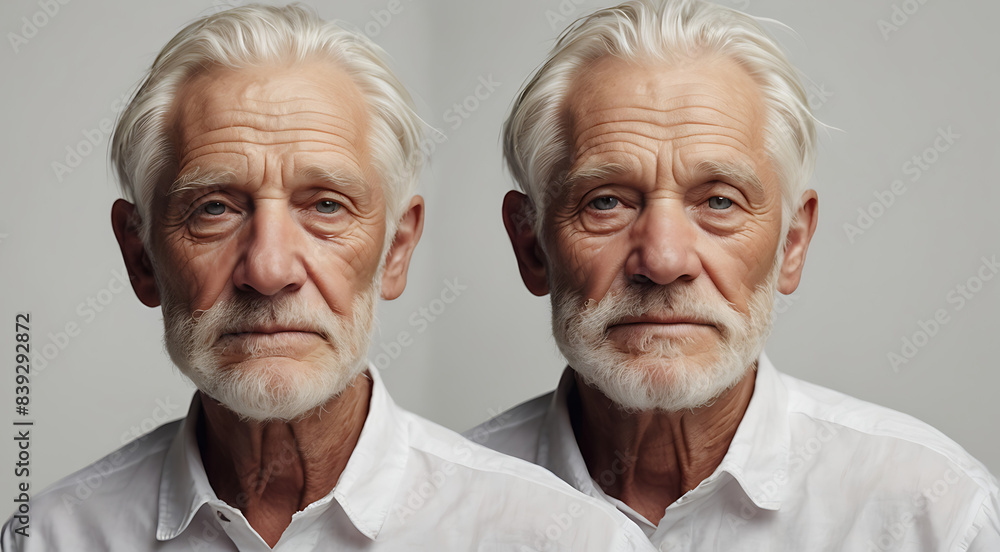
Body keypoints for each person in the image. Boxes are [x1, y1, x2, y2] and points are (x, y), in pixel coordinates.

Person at [0, 5, 653, 551]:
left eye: (325, 207)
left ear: (395, 250)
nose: (269, 270)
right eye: (214, 209)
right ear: (142, 256)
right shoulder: (52, 538)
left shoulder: (563, 538)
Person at [468, 0, 1000, 549]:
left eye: (720, 201)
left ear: (792, 243)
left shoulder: (939, 515)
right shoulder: (444, 512)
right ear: (531, 244)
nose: (664, 262)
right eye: (606, 201)